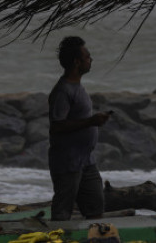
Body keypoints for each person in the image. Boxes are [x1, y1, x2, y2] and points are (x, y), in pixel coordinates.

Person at [48, 36, 111, 220]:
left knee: (96, 206)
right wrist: (91, 122)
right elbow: (57, 126)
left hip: (86, 160)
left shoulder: (77, 87)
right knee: (63, 210)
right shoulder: (62, 91)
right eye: (87, 56)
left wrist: (93, 120)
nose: (91, 60)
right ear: (77, 62)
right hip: (68, 161)